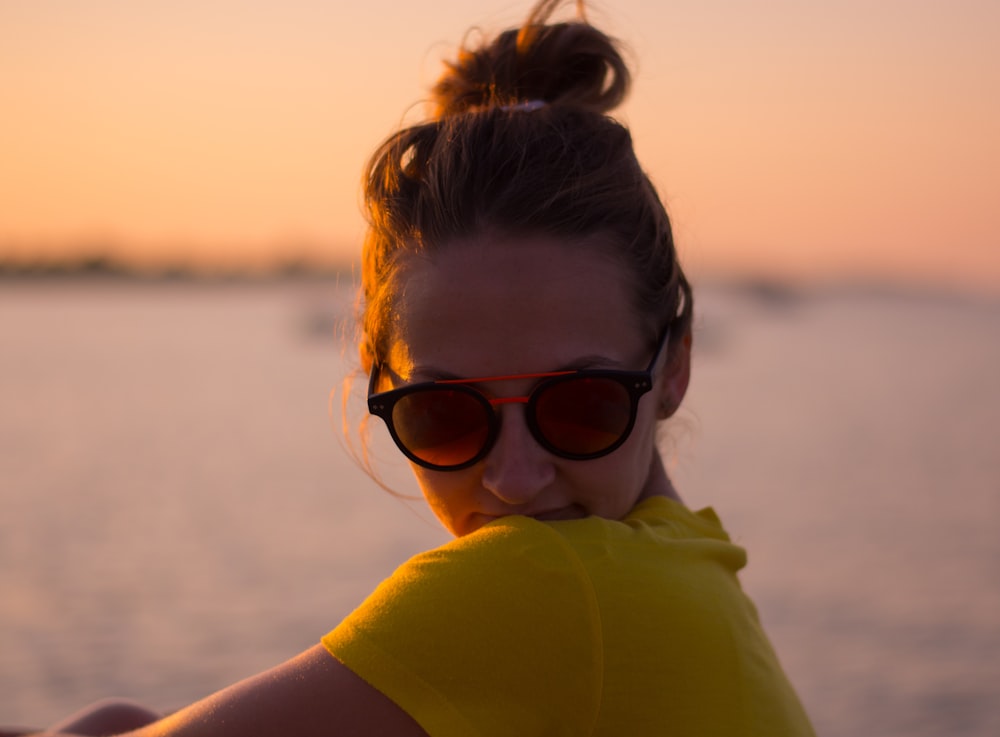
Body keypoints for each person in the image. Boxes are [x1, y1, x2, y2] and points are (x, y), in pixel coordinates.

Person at [13, 0, 816, 734]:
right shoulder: (685, 557)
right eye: (447, 414)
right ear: (381, 381)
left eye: (581, 405)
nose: (514, 477)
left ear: (674, 365)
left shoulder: (549, 583)